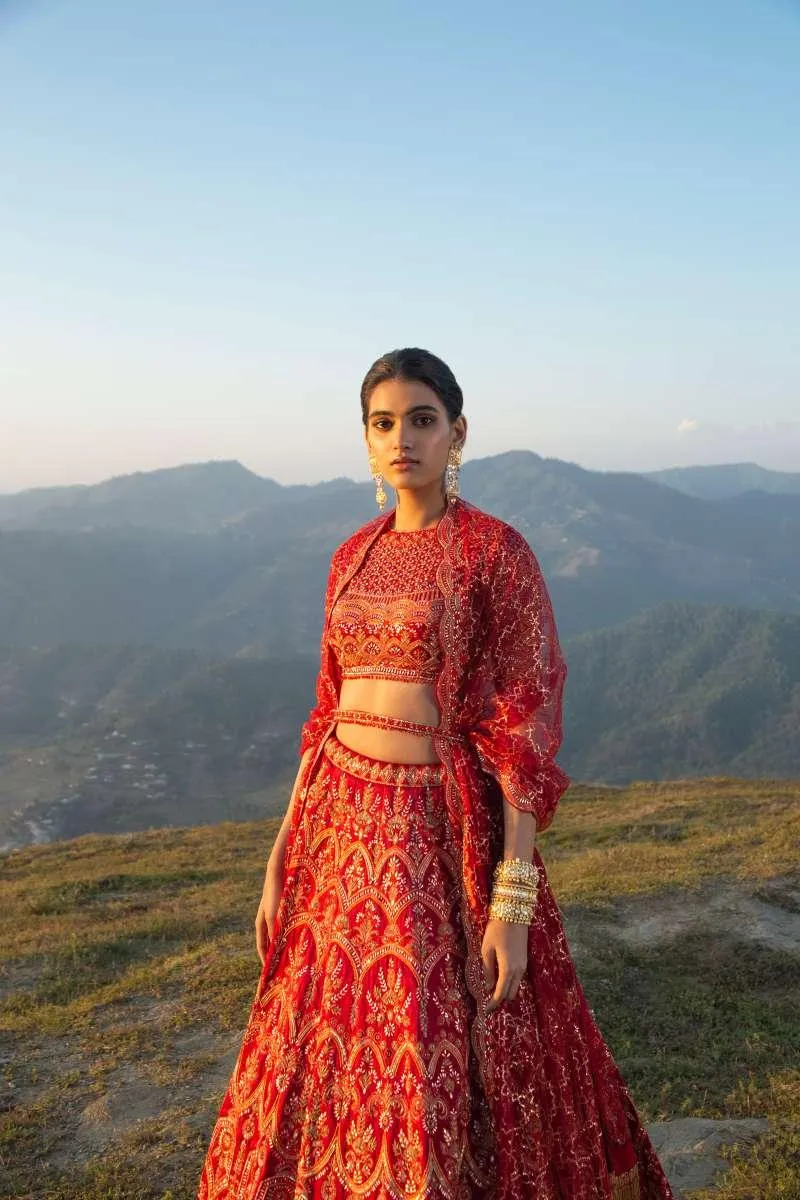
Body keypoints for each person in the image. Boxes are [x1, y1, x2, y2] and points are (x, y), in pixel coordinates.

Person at [196, 349, 674, 1200]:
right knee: (325, 1037)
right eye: (383, 423)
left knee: (429, 1041)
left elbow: (523, 730)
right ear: (366, 441)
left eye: (422, 419)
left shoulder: (494, 552)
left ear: (457, 432)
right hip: (335, 830)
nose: (402, 439)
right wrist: (278, 856)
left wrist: (512, 902)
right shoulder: (352, 555)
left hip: (433, 832)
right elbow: (324, 711)